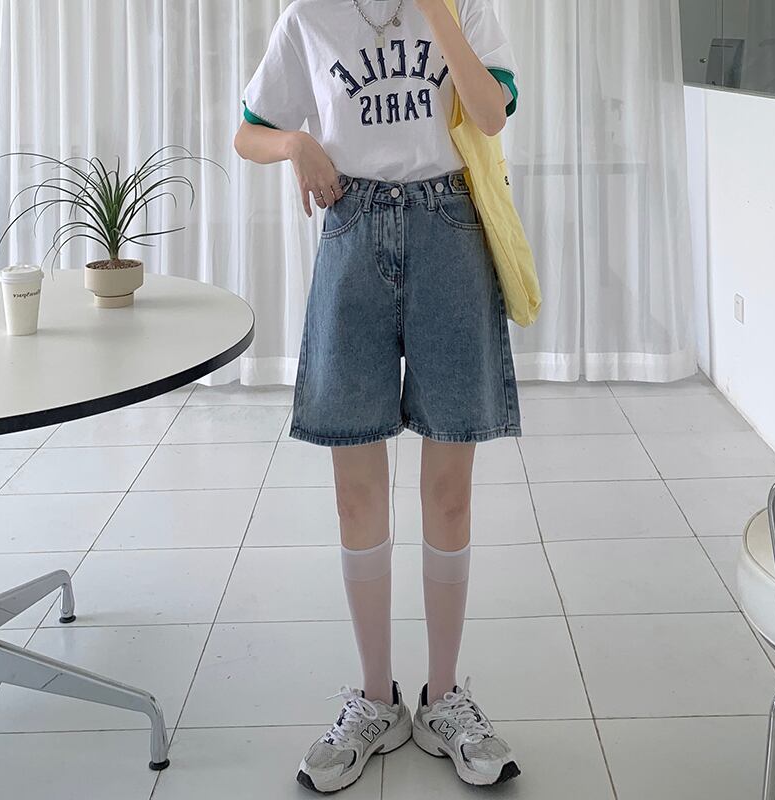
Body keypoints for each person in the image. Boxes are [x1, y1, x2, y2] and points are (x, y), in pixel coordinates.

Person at [234, 0, 523, 792]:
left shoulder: (463, 7)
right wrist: (295, 143)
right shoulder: (309, 17)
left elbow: (492, 114)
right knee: (355, 492)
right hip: (353, 229)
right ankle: (374, 700)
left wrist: (438, 13)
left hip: (450, 230)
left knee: (450, 493)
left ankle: (444, 698)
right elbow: (248, 131)